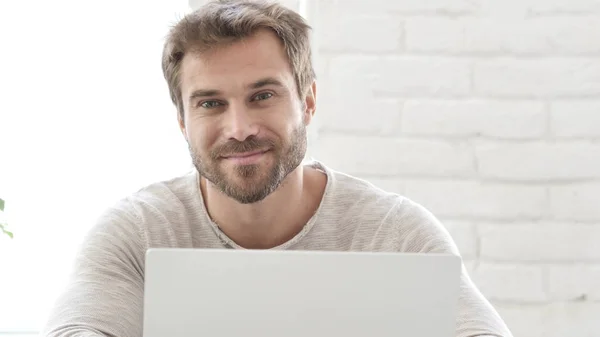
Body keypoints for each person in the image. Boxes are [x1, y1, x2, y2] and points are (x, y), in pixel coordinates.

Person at [42, 0, 513, 336]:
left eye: (262, 96)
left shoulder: (396, 233)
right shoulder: (137, 232)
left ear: (308, 101)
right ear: (183, 121)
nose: (240, 127)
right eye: (211, 103)